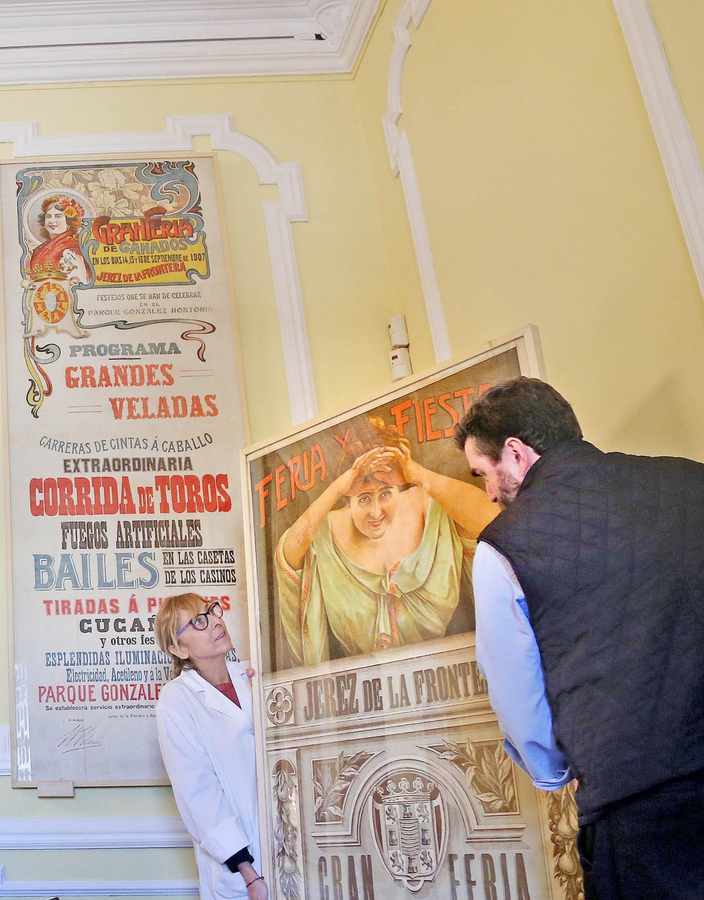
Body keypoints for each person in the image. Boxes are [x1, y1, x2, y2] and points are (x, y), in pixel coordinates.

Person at [455, 377, 704, 899]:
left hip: (640, 816)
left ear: (516, 455)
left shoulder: (502, 547)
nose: (488, 492)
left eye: (483, 473)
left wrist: (551, 771)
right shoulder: (692, 482)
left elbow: (517, 699)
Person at [273, 417, 496, 666]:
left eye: (386, 494)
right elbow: (288, 557)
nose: (376, 513)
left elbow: (493, 522)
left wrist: (416, 474)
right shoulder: (326, 530)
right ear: (347, 498)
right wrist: (336, 488)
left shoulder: (433, 508)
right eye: (364, 499)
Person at [154, 593, 267, 900]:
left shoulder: (255, 676)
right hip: (241, 871)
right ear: (178, 649)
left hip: (290, 850)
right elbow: (199, 794)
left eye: (212, 612)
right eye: (198, 622)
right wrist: (249, 873)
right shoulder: (176, 700)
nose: (216, 621)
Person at [24, 195, 92, 286]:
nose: (52, 221)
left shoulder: (74, 245)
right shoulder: (39, 249)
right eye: (48, 216)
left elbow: (79, 280)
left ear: (68, 221)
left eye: (58, 216)